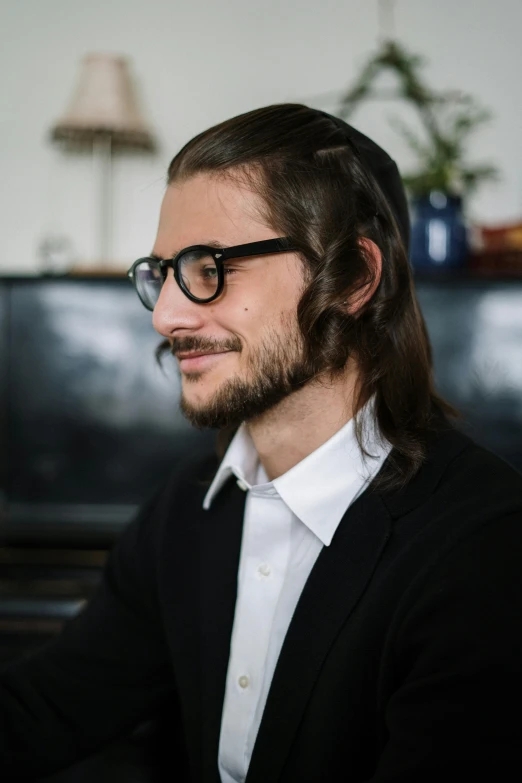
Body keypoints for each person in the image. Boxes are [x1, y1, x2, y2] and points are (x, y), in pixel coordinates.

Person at [2, 103, 522, 783]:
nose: (164, 314)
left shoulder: (485, 547)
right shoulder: (186, 512)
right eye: (162, 272)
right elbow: (45, 708)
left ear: (354, 278)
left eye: (209, 266)